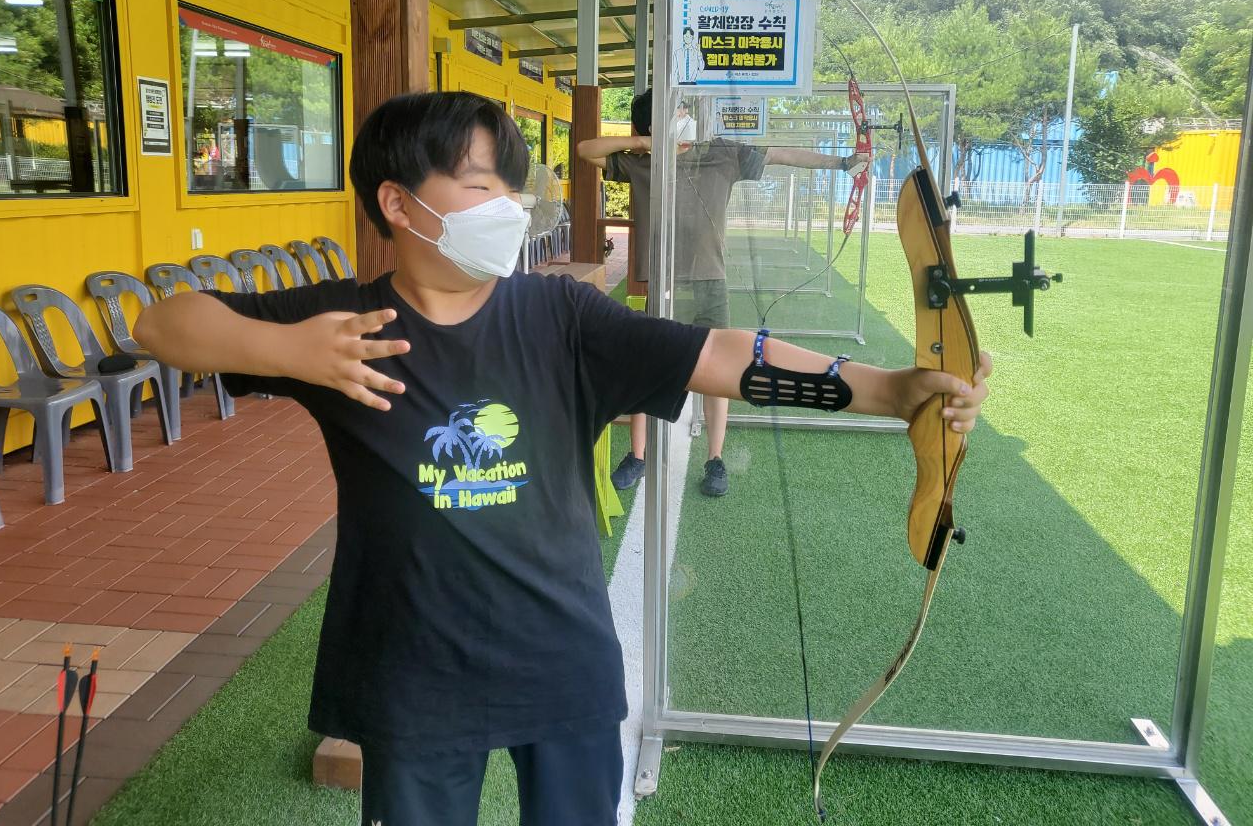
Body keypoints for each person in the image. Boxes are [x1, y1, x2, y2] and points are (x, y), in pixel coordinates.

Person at [134, 92, 990, 826]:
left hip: (562, 662)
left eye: (511, 187)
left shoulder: (559, 317)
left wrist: (886, 390)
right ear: (399, 203)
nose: (506, 206)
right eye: (481, 186)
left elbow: (720, 351)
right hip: (412, 673)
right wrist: (289, 350)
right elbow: (162, 323)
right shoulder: (346, 326)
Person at [577, 89, 872, 497]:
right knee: (647, 366)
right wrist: (648, 143)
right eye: (675, 111)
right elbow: (585, 150)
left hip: (710, 280)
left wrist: (842, 162)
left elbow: (782, 154)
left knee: (719, 372)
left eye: (683, 108)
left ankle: (715, 459)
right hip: (663, 282)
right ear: (655, 123)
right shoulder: (642, 162)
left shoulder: (722, 152)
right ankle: (638, 455)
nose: (685, 114)